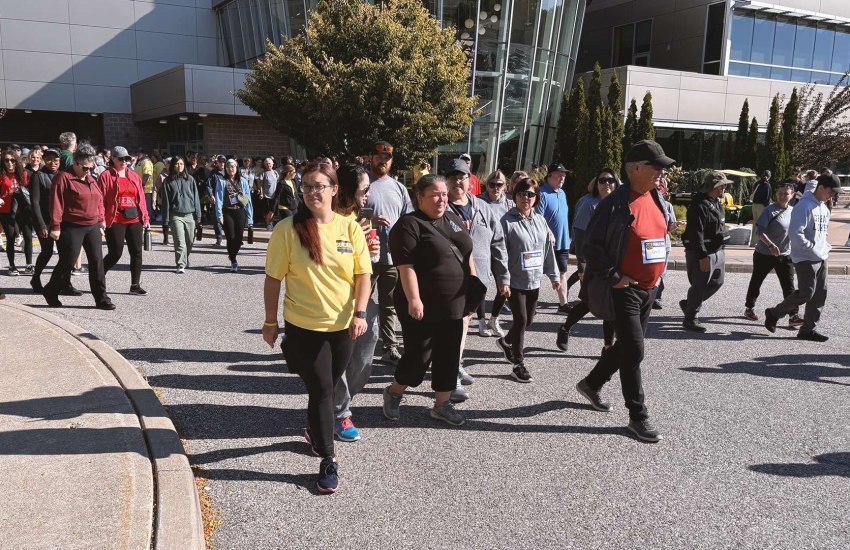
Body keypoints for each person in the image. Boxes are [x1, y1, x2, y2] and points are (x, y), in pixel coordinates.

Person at [263, 162, 371, 494]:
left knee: (326, 387)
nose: (312, 192)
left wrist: (360, 313)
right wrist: (270, 321)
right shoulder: (287, 230)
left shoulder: (350, 228)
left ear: (334, 190)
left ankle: (314, 428)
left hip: (343, 327)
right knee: (323, 389)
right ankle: (328, 458)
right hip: (303, 327)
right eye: (306, 186)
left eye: (319, 186)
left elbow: (363, 274)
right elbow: (273, 279)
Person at [576, 140, 674, 443]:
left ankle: (592, 383)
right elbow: (590, 246)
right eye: (656, 166)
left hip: (649, 289)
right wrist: (614, 275)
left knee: (627, 346)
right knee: (634, 351)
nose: (661, 172)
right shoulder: (614, 204)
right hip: (625, 290)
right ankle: (638, 416)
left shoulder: (655, 196)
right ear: (636, 168)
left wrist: (657, 276)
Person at [382, 174, 473, 426]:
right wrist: (414, 299)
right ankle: (394, 392)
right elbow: (405, 267)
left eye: (444, 194)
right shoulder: (409, 224)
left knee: (449, 354)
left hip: (454, 302)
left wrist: (473, 284)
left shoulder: (452, 218)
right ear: (420, 197)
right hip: (422, 303)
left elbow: (467, 252)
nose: (441, 199)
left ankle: (442, 404)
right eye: (434, 195)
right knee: (419, 356)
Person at [447, 159, 508, 396]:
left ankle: (455, 364)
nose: (457, 181)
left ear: (469, 179)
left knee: (464, 323)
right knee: (454, 326)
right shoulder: (440, 207)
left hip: (477, 279)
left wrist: (503, 277)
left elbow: (498, 242)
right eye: (452, 177)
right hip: (448, 280)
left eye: (461, 177)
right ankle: (450, 375)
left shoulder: (482, 208)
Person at [494, 177, 559, 383]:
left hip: (534, 280)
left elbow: (547, 250)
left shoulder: (540, 220)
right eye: (522, 193)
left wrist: (554, 276)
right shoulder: (506, 221)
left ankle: (506, 341)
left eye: (531, 194)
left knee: (528, 320)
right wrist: (503, 279)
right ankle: (518, 364)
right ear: (515, 196)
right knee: (521, 320)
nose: (526, 198)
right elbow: (500, 253)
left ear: (536, 197)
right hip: (514, 281)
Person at [332, 164, 380, 441]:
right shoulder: (327, 218)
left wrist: (371, 251)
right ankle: (340, 413)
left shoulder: (363, 218)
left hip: (361, 294)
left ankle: (337, 401)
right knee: (338, 353)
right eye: (364, 189)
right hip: (332, 298)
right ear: (348, 190)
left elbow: (368, 262)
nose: (368, 194)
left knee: (367, 343)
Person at [764, 174, 839, 342]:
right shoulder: (804, 206)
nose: (833, 195)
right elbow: (795, 233)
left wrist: (824, 246)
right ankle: (774, 313)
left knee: (820, 295)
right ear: (821, 188)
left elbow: (822, 232)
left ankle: (808, 330)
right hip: (805, 257)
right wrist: (809, 247)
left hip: (821, 256)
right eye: (831, 191)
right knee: (806, 293)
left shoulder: (823, 207)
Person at [43, 144, 114, 310]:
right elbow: (56, 203)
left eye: (91, 168)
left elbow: (98, 200)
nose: (88, 171)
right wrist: (55, 226)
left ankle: (101, 298)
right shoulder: (63, 177)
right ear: (75, 163)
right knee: (68, 261)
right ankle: (51, 289)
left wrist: (101, 221)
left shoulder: (90, 179)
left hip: (92, 225)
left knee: (97, 262)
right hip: (72, 225)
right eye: (85, 168)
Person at [555, 169, 619, 353]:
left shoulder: (620, 204)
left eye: (610, 180)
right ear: (596, 184)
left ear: (617, 183)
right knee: (588, 304)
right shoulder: (589, 204)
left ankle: (607, 347)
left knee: (612, 306)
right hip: (594, 265)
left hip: (614, 265)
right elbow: (581, 237)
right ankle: (565, 328)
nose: (607, 184)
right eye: (602, 180)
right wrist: (582, 266)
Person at [365, 141, 414, 365]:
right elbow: (347, 217)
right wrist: (370, 222)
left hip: (392, 258)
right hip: (365, 258)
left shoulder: (399, 188)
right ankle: (356, 345)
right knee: (359, 303)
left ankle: (390, 347)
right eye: (378, 158)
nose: (382, 161)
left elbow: (408, 219)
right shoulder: (362, 184)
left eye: (387, 159)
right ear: (371, 158)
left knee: (389, 305)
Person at [744, 183, 802, 326]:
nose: (782, 196)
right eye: (779, 193)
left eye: (786, 194)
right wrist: (770, 245)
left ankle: (793, 316)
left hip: (785, 254)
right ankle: (749, 308)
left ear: (792, 195)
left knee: (789, 286)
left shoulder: (794, 211)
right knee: (757, 281)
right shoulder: (769, 210)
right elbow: (760, 231)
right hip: (764, 253)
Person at [681, 172, 732, 333]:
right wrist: (702, 255)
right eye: (722, 185)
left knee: (717, 282)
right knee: (700, 286)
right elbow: (695, 233)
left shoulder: (716, 202)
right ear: (714, 187)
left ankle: (689, 304)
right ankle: (690, 318)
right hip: (704, 253)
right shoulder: (699, 205)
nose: (725, 188)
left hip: (717, 250)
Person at [99, 146, 150, 295]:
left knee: (137, 252)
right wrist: (101, 218)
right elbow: (100, 199)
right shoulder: (106, 176)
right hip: (115, 219)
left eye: (126, 158)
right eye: (120, 159)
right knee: (115, 253)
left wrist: (145, 217)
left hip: (134, 218)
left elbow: (141, 199)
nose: (124, 161)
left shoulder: (133, 176)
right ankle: (98, 275)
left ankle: (135, 285)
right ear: (113, 158)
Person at [477, 169, 515, 337]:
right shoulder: (478, 202)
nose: (495, 188)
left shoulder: (510, 203)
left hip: (503, 249)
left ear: (505, 186)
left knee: (504, 283)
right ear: (486, 186)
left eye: (499, 185)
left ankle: (494, 318)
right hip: (484, 248)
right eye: (492, 184)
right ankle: (481, 320)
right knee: (481, 285)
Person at [30, 149, 67, 292]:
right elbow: (35, 202)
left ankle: (64, 283)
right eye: (49, 159)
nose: (53, 162)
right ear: (44, 160)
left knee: (65, 252)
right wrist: (41, 225)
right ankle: (36, 278)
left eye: (56, 159)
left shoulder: (62, 175)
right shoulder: (38, 176)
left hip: (61, 219)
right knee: (47, 251)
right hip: (44, 219)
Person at [536, 163, 571, 312]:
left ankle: (563, 304)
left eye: (564, 175)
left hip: (562, 242)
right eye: (559, 175)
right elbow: (538, 217)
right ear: (549, 175)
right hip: (546, 243)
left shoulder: (562, 193)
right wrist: (549, 232)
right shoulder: (542, 193)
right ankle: (532, 304)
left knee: (562, 272)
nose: (562, 178)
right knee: (537, 274)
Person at [161, 156, 202, 274]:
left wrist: (198, 215)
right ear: (173, 166)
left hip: (190, 214)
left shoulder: (190, 180)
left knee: (189, 241)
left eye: (182, 164)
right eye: (177, 164)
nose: (179, 166)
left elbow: (196, 198)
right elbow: (166, 202)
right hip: (175, 215)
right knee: (179, 241)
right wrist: (166, 219)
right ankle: (180, 264)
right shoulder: (168, 181)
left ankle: (185, 257)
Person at [215, 159, 254, 272]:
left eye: (232, 166)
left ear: (237, 168)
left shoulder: (243, 181)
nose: (230, 169)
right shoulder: (221, 181)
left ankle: (232, 253)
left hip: (240, 211)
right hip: (227, 212)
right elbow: (219, 199)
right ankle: (233, 260)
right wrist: (219, 215)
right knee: (230, 237)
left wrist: (250, 217)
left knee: (239, 237)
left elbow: (248, 200)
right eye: (228, 167)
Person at [652, 176, 685, 309]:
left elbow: (669, 228)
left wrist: (676, 224)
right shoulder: (647, 203)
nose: (659, 189)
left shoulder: (668, 206)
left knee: (662, 272)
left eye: (662, 186)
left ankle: (657, 298)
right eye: (657, 186)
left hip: (663, 244)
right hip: (649, 244)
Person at [0, 149, 33, 276]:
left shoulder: (23, 173)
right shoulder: (1, 175)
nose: (10, 163)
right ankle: (12, 266)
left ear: (16, 161)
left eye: (12, 160)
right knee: (10, 237)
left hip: (23, 209)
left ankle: (29, 265)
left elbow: (30, 189)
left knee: (28, 236)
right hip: (6, 210)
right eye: (6, 160)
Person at [750, 170, 772, 247]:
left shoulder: (757, 183)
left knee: (755, 224)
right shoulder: (767, 185)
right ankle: (760, 242)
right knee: (761, 225)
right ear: (769, 177)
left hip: (754, 205)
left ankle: (753, 242)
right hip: (761, 206)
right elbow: (767, 197)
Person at [152, 157, 171, 243]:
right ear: (165, 164)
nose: (170, 164)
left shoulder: (177, 174)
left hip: (175, 201)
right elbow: (156, 188)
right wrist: (154, 200)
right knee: (165, 219)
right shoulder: (161, 175)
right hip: (164, 201)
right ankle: (166, 238)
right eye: (168, 163)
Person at [134, 150, 155, 220]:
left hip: (146, 188)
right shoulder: (140, 162)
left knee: (147, 205)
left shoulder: (146, 162)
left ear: (144, 154)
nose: (138, 154)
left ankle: (149, 219)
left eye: (139, 153)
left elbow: (146, 174)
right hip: (139, 187)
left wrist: (142, 185)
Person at [260, 158, 279, 230]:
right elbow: (261, 185)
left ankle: (271, 222)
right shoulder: (263, 173)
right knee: (268, 211)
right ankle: (269, 224)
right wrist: (261, 193)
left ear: (272, 164)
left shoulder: (275, 172)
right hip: (266, 195)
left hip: (275, 195)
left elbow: (277, 182)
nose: (268, 165)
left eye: (269, 163)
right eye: (267, 164)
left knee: (274, 211)